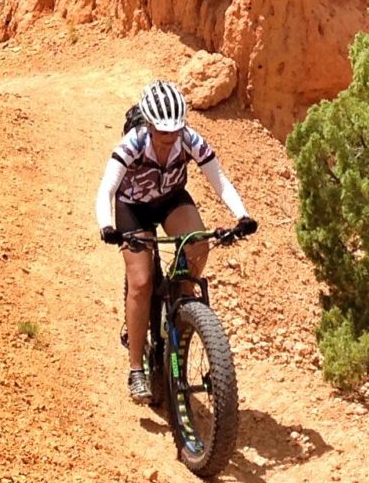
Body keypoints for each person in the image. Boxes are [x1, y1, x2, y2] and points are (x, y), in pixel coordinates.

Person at [94, 80, 255, 402]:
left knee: (198, 243)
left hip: (170, 199)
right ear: (150, 124)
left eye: (176, 130)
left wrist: (242, 216)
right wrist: (107, 226)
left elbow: (219, 181)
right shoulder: (132, 144)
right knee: (140, 282)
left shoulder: (190, 140)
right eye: (163, 131)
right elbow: (106, 190)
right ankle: (137, 369)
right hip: (133, 206)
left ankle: (181, 305)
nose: (170, 137)